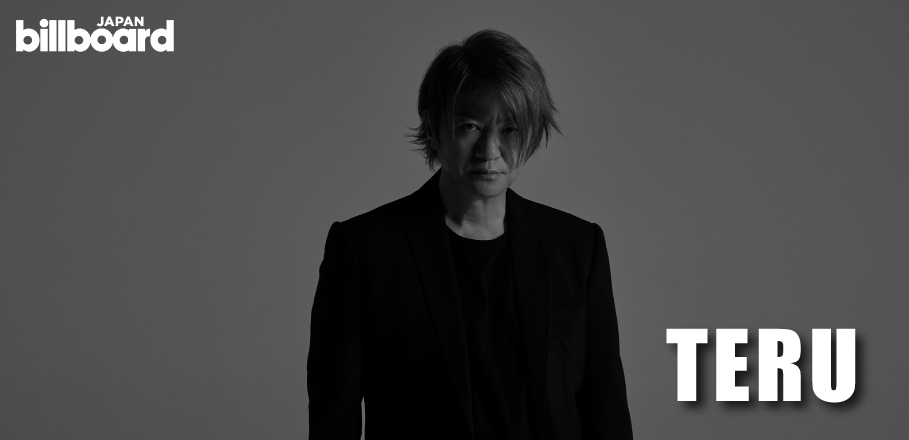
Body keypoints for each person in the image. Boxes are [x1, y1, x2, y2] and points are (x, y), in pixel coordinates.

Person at [308, 29, 633, 440]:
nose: (489, 150)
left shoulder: (577, 248)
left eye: (510, 129)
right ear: (433, 127)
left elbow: (607, 414)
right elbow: (332, 420)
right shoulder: (365, 252)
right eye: (470, 126)